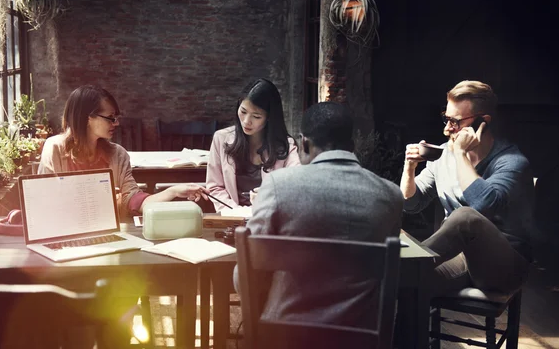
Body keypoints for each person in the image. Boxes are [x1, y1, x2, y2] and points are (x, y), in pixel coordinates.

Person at [233, 102, 403, 328]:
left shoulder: (277, 185)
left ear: (304, 143)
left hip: (287, 335)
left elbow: (245, 274)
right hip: (359, 336)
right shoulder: (391, 195)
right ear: (351, 145)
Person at [401, 80, 533, 296]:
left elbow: (482, 205)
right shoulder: (443, 155)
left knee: (465, 217)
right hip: (459, 258)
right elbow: (411, 203)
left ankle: (408, 260)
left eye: (455, 122)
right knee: (407, 283)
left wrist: (461, 154)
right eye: (446, 118)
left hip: (505, 268)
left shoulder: (512, 162)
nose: (446, 129)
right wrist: (410, 167)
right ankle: (404, 269)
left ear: (483, 121)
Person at [39, 85, 208, 219]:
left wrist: (173, 191)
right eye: (111, 118)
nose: (116, 123)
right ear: (87, 118)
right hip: (68, 237)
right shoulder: (54, 149)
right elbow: (45, 204)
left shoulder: (118, 154)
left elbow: (133, 200)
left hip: (109, 235)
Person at [206, 78, 300, 211]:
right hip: (232, 217)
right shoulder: (221, 139)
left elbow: (295, 185)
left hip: (269, 218)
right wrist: (235, 211)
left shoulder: (286, 145)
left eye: (256, 116)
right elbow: (215, 187)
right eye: (243, 112)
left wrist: (269, 198)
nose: (246, 121)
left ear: (269, 117)